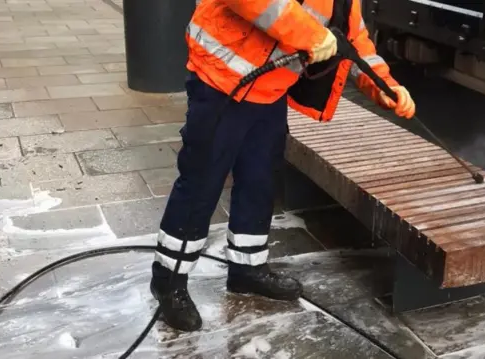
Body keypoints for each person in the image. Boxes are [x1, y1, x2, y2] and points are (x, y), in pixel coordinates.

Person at [150, 0, 416, 332]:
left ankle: (247, 269)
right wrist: (311, 35)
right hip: (221, 81)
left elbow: (354, 38)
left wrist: (384, 86)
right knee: (202, 182)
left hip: (270, 91)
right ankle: (169, 280)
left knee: (259, 180)